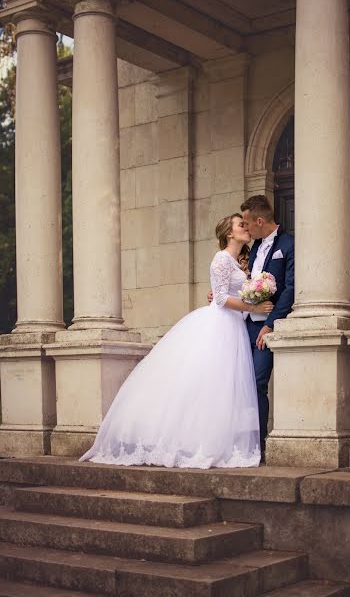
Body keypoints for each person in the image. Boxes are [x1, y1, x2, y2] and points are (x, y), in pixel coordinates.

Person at [80, 214, 273, 469]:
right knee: (207, 385)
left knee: (224, 388)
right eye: (241, 225)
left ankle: (214, 439)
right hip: (220, 324)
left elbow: (224, 292)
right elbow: (221, 299)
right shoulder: (221, 259)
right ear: (229, 232)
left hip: (234, 325)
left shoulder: (238, 263)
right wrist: (255, 306)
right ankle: (192, 442)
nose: (246, 229)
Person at [241, 195, 294, 458]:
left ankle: (258, 446)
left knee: (258, 382)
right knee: (240, 384)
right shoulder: (254, 249)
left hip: (267, 329)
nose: (247, 230)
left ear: (260, 221)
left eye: (248, 225)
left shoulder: (289, 244)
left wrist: (271, 325)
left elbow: (290, 288)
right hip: (246, 326)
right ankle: (243, 441)